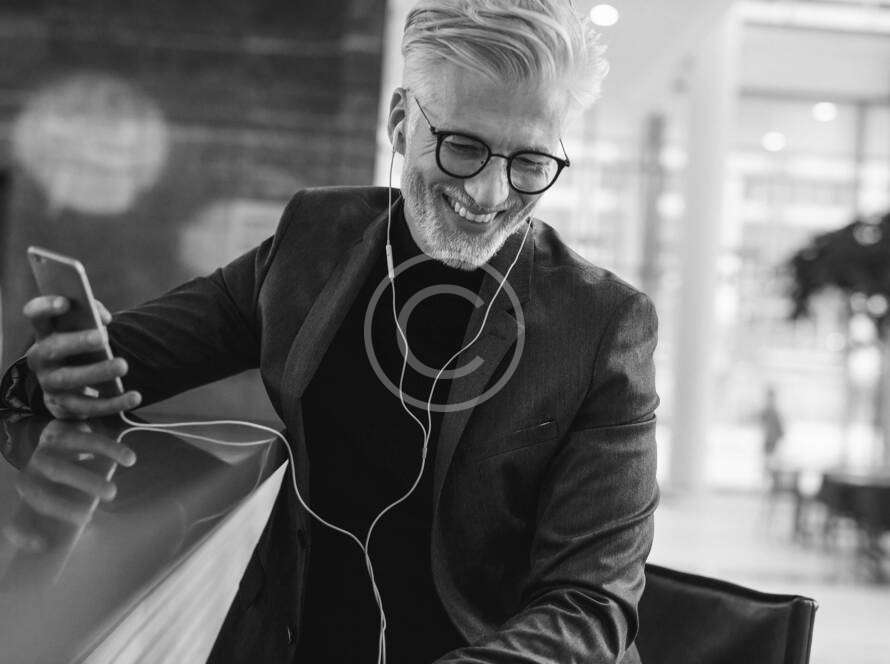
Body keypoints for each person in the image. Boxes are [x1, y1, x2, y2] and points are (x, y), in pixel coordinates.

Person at [3, 1, 659, 662]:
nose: (490, 195)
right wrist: (53, 371)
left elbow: (592, 604)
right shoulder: (314, 238)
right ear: (400, 123)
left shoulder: (604, 325)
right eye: (463, 147)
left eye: (530, 162)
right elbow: (122, 358)